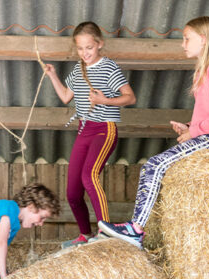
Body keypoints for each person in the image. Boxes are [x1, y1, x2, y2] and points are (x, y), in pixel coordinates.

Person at [99, 16, 209, 248]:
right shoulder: (205, 70)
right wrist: (188, 126)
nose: (183, 44)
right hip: (208, 133)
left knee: (154, 165)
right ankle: (135, 228)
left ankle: (135, 229)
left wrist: (193, 131)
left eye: (187, 39)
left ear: (203, 40)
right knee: (157, 166)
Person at [43, 21, 136, 249]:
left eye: (89, 48)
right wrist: (53, 76)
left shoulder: (109, 67)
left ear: (99, 44)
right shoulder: (79, 69)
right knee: (73, 191)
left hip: (104, 129)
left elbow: (130, 97)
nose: (85, 53)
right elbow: (66, 97)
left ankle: (106, 231)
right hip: (84, 130)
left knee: (89, 176)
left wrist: (105, 100)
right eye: (81, 48)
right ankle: (85, 235)